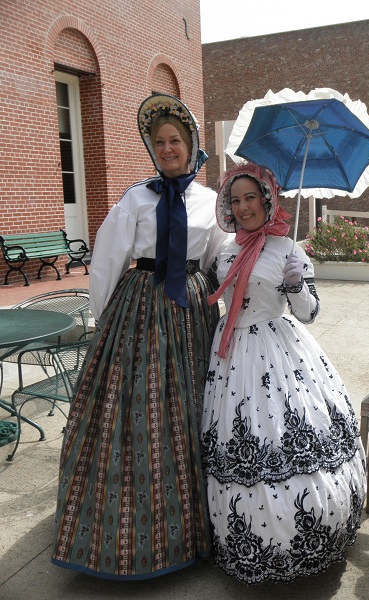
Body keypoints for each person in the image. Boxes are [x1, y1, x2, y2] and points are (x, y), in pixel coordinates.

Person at [51, 93, 227, 580]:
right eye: (160, 141)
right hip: (141, 306)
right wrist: (101, 316)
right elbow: (108, 257)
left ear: (192, 145)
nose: (168, 148)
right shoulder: (136, 197)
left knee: (190, 407)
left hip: (190, 308)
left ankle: (193, 527)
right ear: (152, 148)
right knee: (138, 411)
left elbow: (216, 258)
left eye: (176, 140)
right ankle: (128, 530)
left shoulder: (211, 201)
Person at [200, 163, 367, 585]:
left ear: (267, 200)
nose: (242, 208)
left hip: (278, 350)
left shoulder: (289, 250)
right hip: (230, 355)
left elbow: (309, 314)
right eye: (234, 201)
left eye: (249, 198)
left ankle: (301, 537)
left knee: (282, 433)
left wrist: (296, 284)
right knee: (237, 438)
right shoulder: (226, 250)